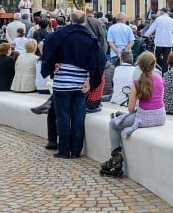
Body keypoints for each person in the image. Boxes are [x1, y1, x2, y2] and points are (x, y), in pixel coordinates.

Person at [40, 10, 104, 159]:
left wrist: (52, 64)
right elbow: (100, 60)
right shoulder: (90, 38)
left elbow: (45, 45)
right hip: (81, 84)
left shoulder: (60, 35)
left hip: (62, 83)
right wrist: (90, 80)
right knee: (78, 118)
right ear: (85, 21)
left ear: (70, 20)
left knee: (62, 118)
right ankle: (76, 150)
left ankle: (63, 150)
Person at [102, 51, 166, 177]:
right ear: (154, 65)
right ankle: (115, 160)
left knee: (113, 124)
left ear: (140, 66)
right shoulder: (160, 80)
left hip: (145, 118)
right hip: (160, 117)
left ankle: (116, 159)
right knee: (122, 120)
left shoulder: (137, 83)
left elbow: (130, 109)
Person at [144, 8, 173, 73]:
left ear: (161, 13)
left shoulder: (158, 20)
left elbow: (151, 29)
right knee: (166, 60)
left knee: (155, 58)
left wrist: (145, 35)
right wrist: (170, 37)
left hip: (159, 43)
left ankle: (155, 72)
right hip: (168, 44)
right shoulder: (171, 20)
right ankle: (165, 74)